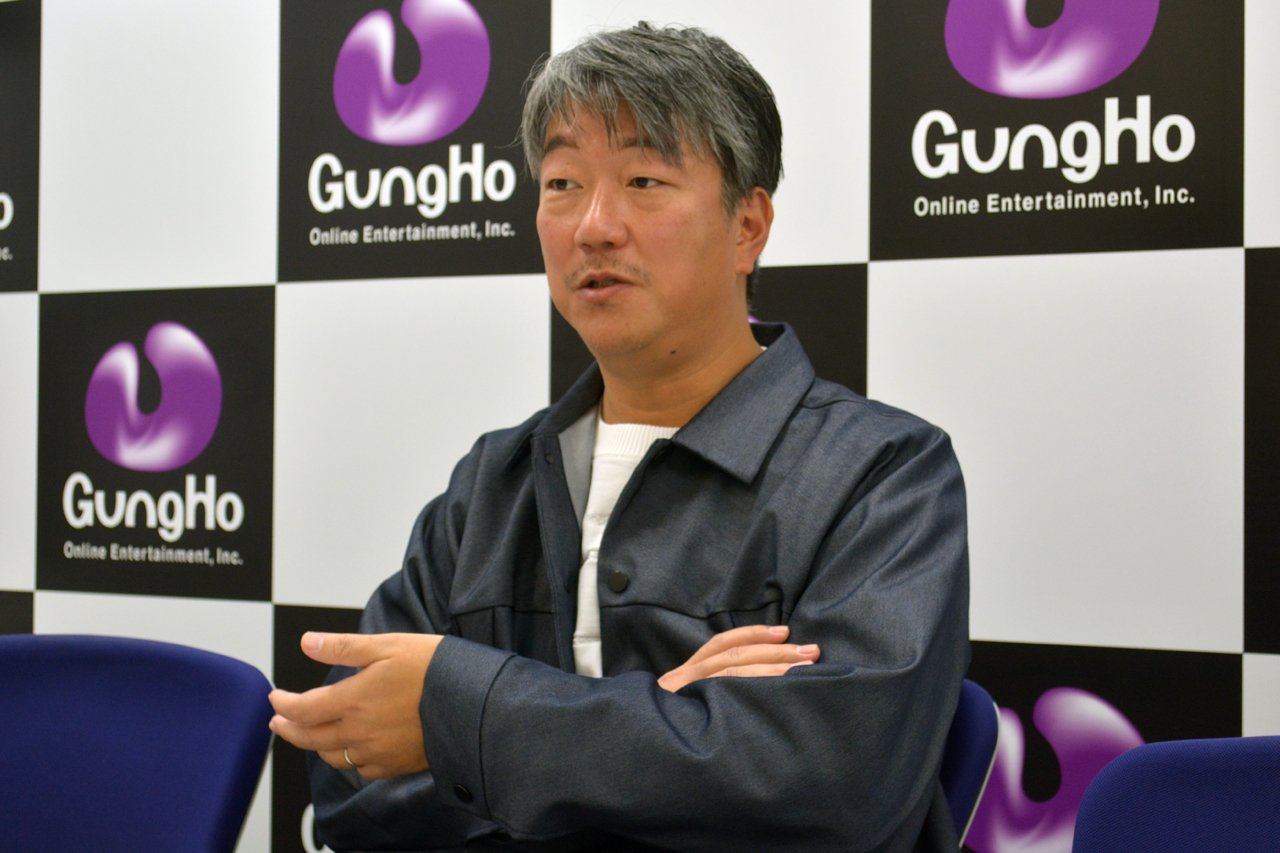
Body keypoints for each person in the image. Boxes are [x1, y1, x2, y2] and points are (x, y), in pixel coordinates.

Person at [269, 21, 969, 853]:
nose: (594, 225)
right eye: (563, 183)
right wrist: (666, 724)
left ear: (748, 226)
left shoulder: (881, 475)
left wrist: (464, 722)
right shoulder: (493, 483)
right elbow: (349, 783)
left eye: (643, 179)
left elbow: (837, 791)